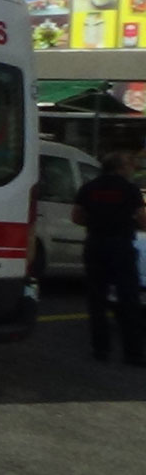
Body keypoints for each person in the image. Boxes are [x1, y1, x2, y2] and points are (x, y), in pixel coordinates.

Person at [72, 152, 146, 365]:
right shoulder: (129, 189)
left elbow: (76, 216)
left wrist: (97, 222)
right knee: (128, 300)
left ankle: (100, 350)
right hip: (120, 246)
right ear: (120, 168)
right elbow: (143, 220)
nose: (132, 168)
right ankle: (133, 353)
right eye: (129, 164)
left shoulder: (89, 188)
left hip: (95, 245)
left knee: (96, 300)